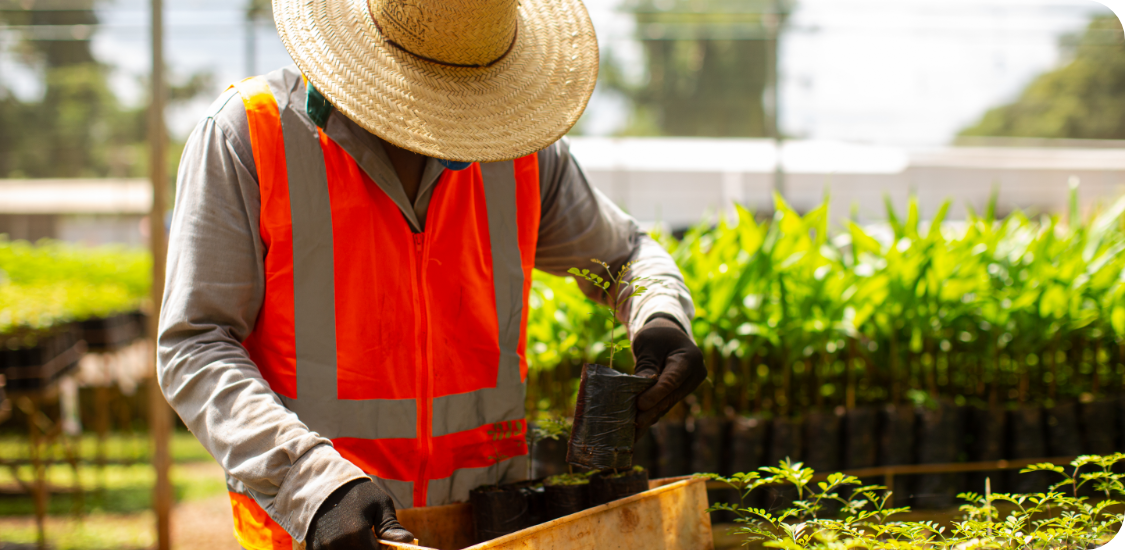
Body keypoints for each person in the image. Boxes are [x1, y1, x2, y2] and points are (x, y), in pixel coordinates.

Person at [157, 0, 705, 548]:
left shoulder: (517, 150)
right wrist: (312, 483)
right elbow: (196, 345)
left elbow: (624, 254)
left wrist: (660, 317)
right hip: (324, 530)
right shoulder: (251, 136)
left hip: (487, 523)